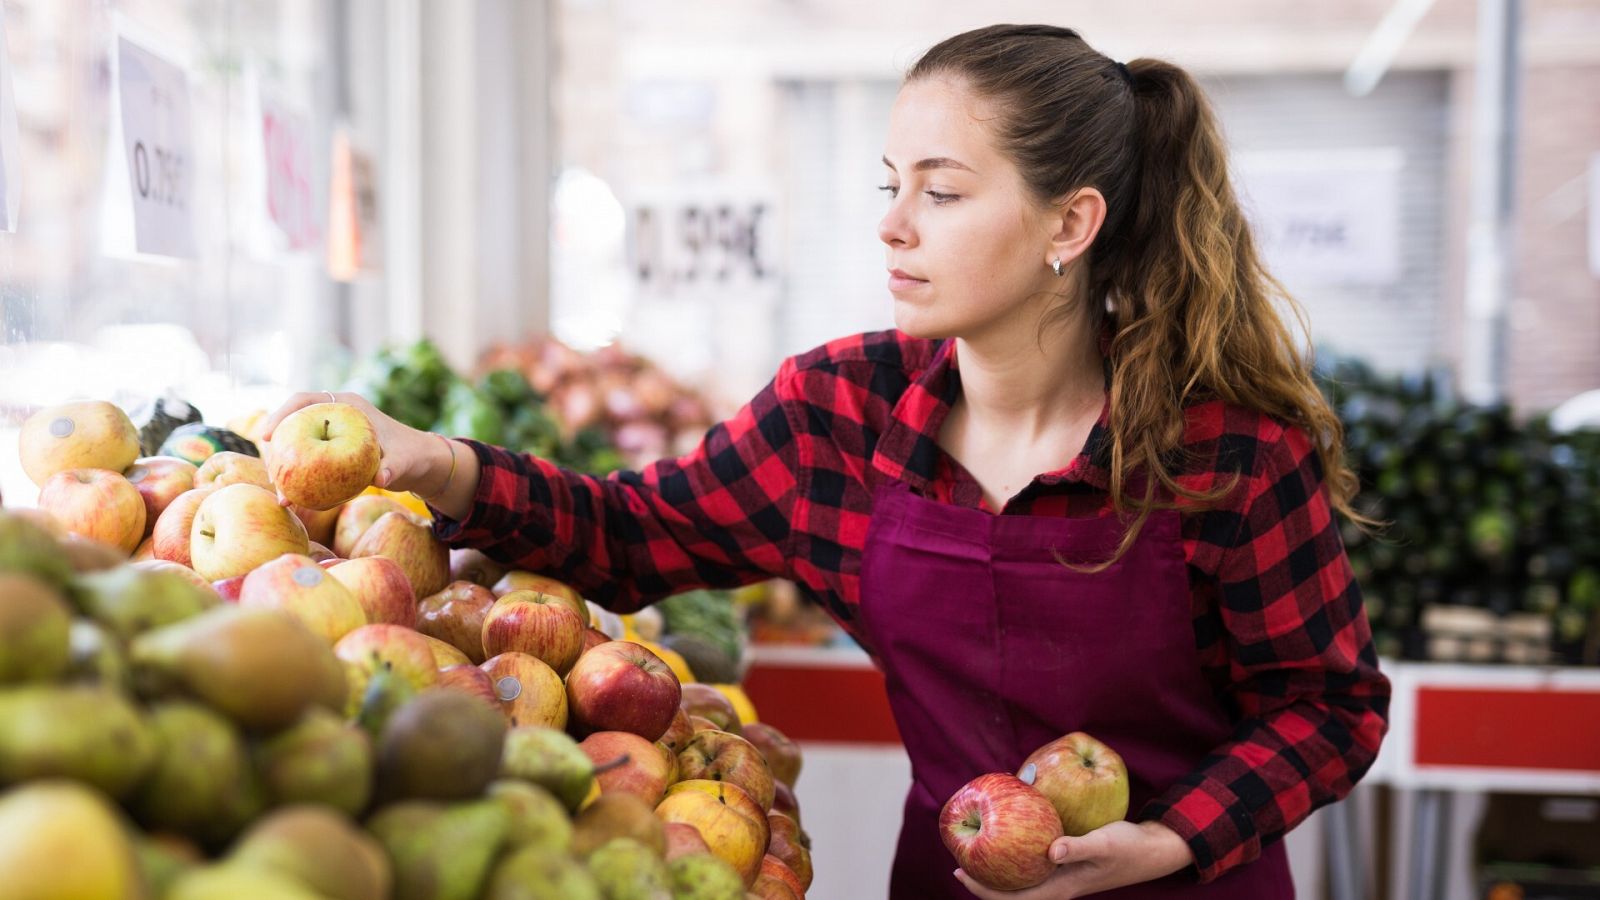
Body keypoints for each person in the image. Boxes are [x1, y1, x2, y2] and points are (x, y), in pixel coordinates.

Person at [264, 23, 1389, 899]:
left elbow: (1328, 709)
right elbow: (632, 537)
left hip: (1183, 892)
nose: (894, 224)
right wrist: (443, 465)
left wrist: (1168, 840)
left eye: (941, 193)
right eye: (888, 183)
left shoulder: (1228, 456)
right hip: (950, 885)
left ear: (1070, 225)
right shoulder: (839, 413)